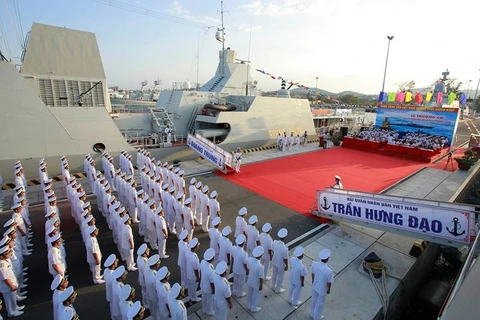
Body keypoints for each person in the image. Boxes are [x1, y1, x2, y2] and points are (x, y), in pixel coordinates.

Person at [0, 246, 24, 317]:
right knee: (9, 300)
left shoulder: (5, 261)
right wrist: (11, 285)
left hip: (11, 283)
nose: (10, 253)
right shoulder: (2, 265)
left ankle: (15, 308)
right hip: (7, 286)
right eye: (8, 253)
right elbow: (5, 278)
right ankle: (11, 312)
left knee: (12, 298)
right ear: (3, 255)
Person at [310, 249, 334, 320]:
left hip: (315, 285)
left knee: (313, 300)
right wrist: (328, 289)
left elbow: (312, 273)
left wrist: (313, 281)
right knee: (320, 303)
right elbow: (329, 282)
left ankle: (312, 313)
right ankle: (317, 317)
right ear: (327, 259)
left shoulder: (314, 264)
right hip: (322, 288)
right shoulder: (329, 271)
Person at [247, 246, 265, 313]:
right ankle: (253, 308)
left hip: (250, 280)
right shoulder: (260, 267)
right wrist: (261, 286)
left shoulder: (250, 260)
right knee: (255, 296)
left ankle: (249, 305)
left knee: (249, 294)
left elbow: (248, 268)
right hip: (256, 283)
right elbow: (261, 278)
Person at [272, 228, 288, 294]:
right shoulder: (284, 248)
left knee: (274, 274)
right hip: (281, 263)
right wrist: (287, 265)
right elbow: (285, 258)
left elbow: (272, 250)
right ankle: (278, 289)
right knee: (280, 276)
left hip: (275, 260)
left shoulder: (275, 242)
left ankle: (273, 286)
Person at [200, 248, 215, 316]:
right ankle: (209, 311)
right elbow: (212, 282)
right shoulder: (211, 269)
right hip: (208, 287)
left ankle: (204, 309)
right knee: (210, 300)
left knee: (204, 297)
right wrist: (213, 290)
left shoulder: (202, 262)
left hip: (202, 284)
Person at [185, 238, 201, 302]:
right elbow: (196, 269)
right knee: (194, 287)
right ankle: (194, 298)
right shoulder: (195, 258)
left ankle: (190, 295)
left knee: (189, 286)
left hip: (188, 272)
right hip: (193, 275)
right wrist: (198, 277)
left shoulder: (187, 252)